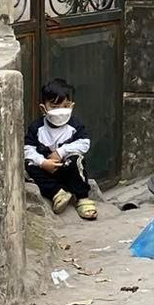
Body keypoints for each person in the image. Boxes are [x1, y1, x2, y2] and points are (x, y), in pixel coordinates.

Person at [24, 78, 98, 220]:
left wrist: (61, 152)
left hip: (67, 167)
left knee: (77, 160)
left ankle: (82, 197)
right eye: (54, 106)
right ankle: (57, 193)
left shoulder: (75, 125)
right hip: (46, 170)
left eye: (65, 106)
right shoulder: (36, 128)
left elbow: (84, 143)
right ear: (43, 108)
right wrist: (42, 162)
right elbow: (28, 149)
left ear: (71, 106)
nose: (60, 111)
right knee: (29, 165)